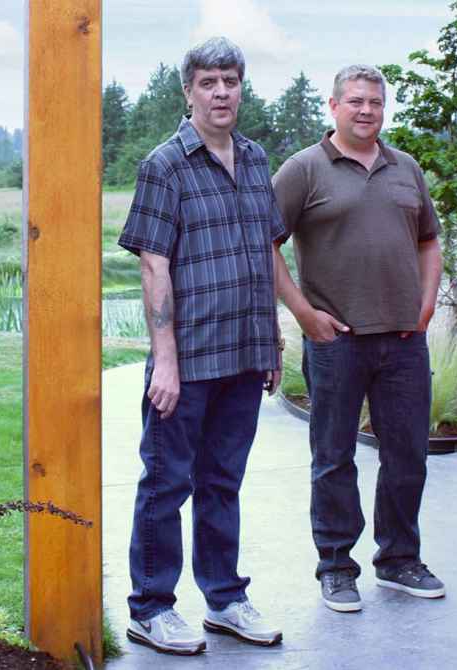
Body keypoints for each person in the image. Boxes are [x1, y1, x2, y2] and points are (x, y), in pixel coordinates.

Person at [117, 37, 284, 655]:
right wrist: (164, 361)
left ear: (242, 88)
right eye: (208, 82)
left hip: (244, 353)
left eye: (231, 81)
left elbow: (265, 255)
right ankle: (152, 608)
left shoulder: (256, 157)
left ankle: (224, 598)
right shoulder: (165, 165)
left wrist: (271, 344)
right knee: (166, 483)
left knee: (223, 481)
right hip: (186, 362)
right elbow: (153, 265)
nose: (221, 93)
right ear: (187, 90)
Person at [271, 65, 445, 613]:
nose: (366, 110)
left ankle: (398, 560)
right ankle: (336, 567)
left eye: (375, 101)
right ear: (333, 105)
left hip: (402, 341)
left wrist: (427, 299)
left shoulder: (405, 168)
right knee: (333, 457)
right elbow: (263, 245)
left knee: (407, 456)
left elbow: (429, 241)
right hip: (336, 342)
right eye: (355, 101)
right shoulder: (303, 169)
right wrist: (302, 312)